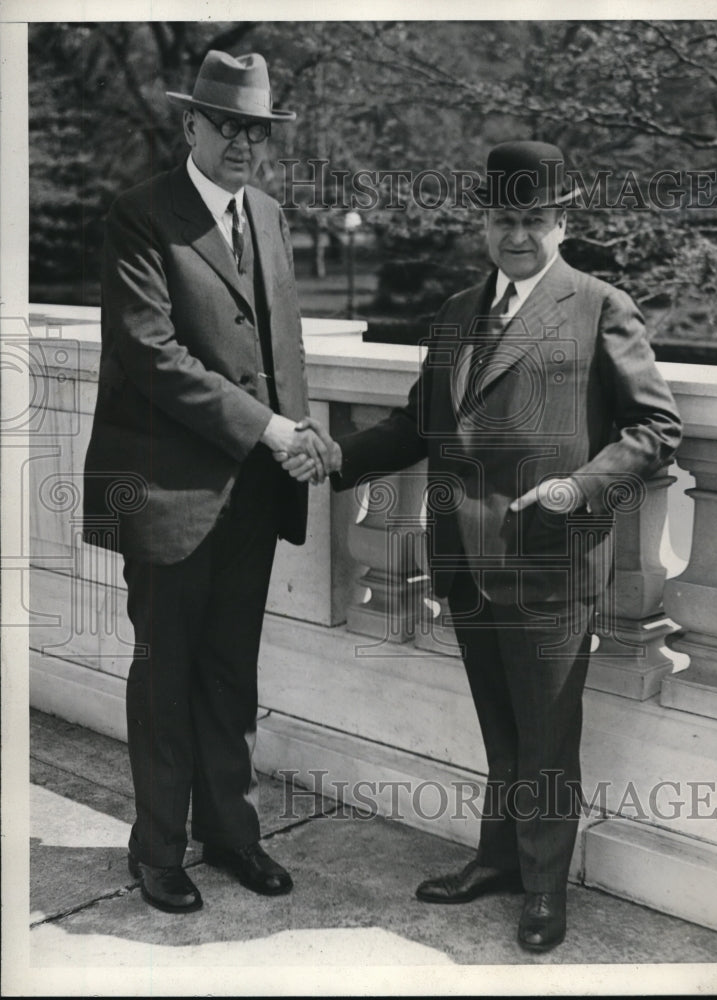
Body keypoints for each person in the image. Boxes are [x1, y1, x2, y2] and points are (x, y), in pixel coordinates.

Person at [281, 140, 682, 952]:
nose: (519, 236)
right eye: (504, 219)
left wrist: (578, 488)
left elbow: (656, 428)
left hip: (550, 556)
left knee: (546, 736)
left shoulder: (601, 304)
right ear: (484, 222)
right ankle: (498, 862)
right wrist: (337, 454)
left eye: (535, 220)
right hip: (462, 559)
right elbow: (419, 422)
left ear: (561, 221)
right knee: (502, 729)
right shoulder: (459, 310)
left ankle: (543, 891)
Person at [83, 50, 338, 914]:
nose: (241, 141)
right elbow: (152, 357)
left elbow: (284, 348)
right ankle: (157, 851)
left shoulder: (265, 213)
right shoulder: (137, 217)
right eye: (226, 123)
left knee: (232, 675)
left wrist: (299, 439)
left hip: (254, 495)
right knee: (164, 677)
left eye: (255, 129)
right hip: (165, 496)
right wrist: (267, 427)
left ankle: (233, 836)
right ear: (189, 122)